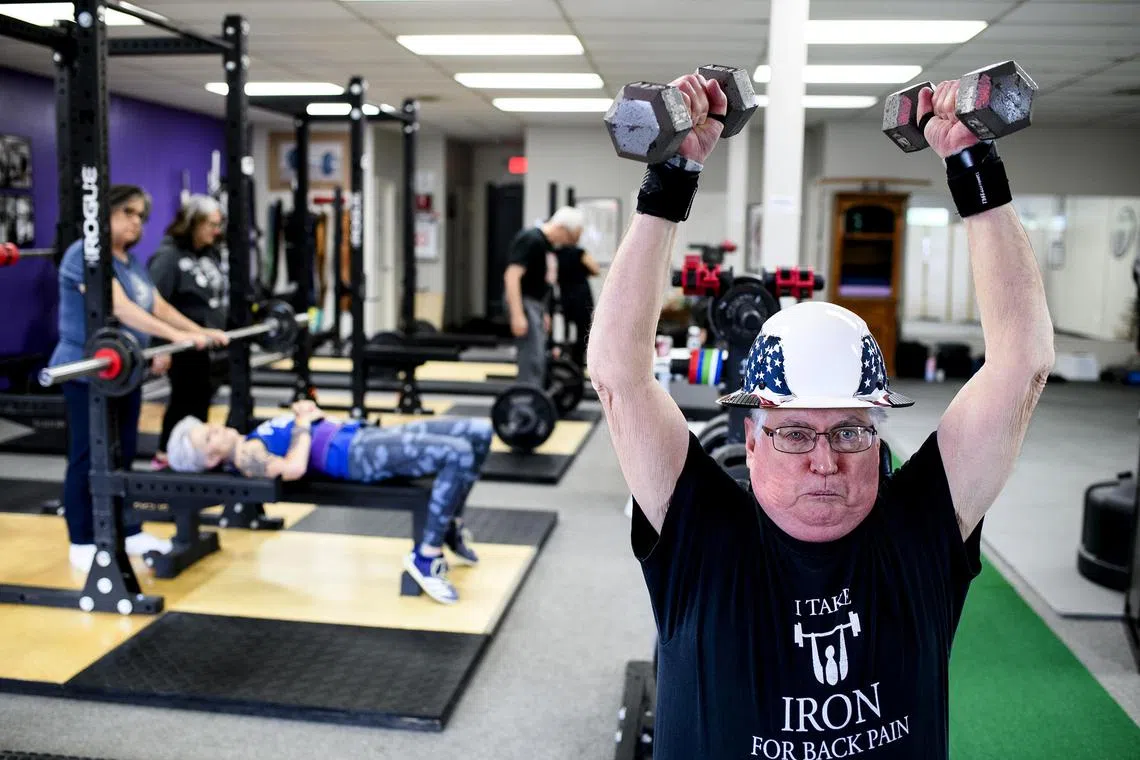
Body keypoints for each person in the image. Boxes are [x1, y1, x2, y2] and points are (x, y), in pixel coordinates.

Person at [587, 72, 1054, 759]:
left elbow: (1021, 366)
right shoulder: (703, 536)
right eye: (795, 433)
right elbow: (619, 377)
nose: (825, 460)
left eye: (850, 431)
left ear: (878, 436)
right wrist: (671, 180)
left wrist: (970, 159)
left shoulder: (921, 528)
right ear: (750, 442)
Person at [48, 184, 231, 573]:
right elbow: (121, 308)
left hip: (123, 373)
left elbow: (157, 305)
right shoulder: (83, 254)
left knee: (124, 453)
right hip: (85, 372)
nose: (136, 223)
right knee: (87, 456)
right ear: (105, 213)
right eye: (128, 213)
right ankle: (82, 539)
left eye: (141, 216)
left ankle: (127, 530)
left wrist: (199, 330)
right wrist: (178, 337)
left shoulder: (129, 261)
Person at [164, 402, 494, 605]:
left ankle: (448, 524)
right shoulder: (246, 454)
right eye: (209, 437)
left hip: (362, 437)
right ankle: (426, 557)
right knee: (458, 452)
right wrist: (303, 423)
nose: (216, 428)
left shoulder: (251, 437)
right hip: (357, 456)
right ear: (210, 459)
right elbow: (293, 468)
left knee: (479, 431)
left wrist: (311, 415)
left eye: (208, 427)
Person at [147, 194, 227, 470]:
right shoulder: (168, 257)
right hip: (181, 344)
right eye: (211, 225)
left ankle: (197, 455)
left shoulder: (210, 253)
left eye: (218, 225)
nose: (216, 231)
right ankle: (165, 456)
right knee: (184, 400)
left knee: (201, 398)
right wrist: (161, 347)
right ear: (194, 223)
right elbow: (154, 305)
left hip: (206, 345)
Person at [503, 206, 583, 387]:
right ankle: (527, 399)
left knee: (538, 355)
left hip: (535, 304)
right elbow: (512, 276)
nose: (567, 243)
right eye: (569, 238)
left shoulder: (546, 245)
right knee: (531, 358)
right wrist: (517, 314)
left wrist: (544, 312)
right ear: (562, 228)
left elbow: (542, 283)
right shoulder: (530, 239)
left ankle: (534, 394)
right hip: (524, 302)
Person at [554, 243, 602, 370]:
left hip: (566, 297)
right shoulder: (579, 252)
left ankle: (566, 359)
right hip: (581, 298)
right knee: (583, 333)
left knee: (567, 331)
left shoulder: (556, 254)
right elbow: (595, 269)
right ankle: (578, 363)